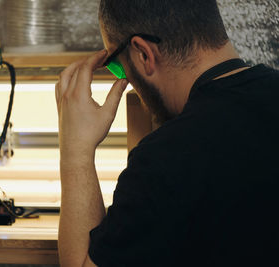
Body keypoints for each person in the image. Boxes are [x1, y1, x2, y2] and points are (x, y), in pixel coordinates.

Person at [55, 0, 279, 266]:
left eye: (117, 66)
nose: (123, 78)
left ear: (143, 54)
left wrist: (75, 151)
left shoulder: (166, 158)